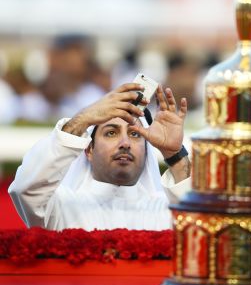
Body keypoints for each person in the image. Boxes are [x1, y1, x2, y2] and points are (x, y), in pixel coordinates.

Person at [9, 83, 191, 231]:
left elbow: (202, 223)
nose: (125, 143)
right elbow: (25, 189)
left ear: (147, 151)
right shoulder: (62, 208)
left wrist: (175, 155)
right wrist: (82, 119)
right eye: (111, 133)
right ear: (88, 150)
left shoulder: (164, 212)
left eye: (135, 134)